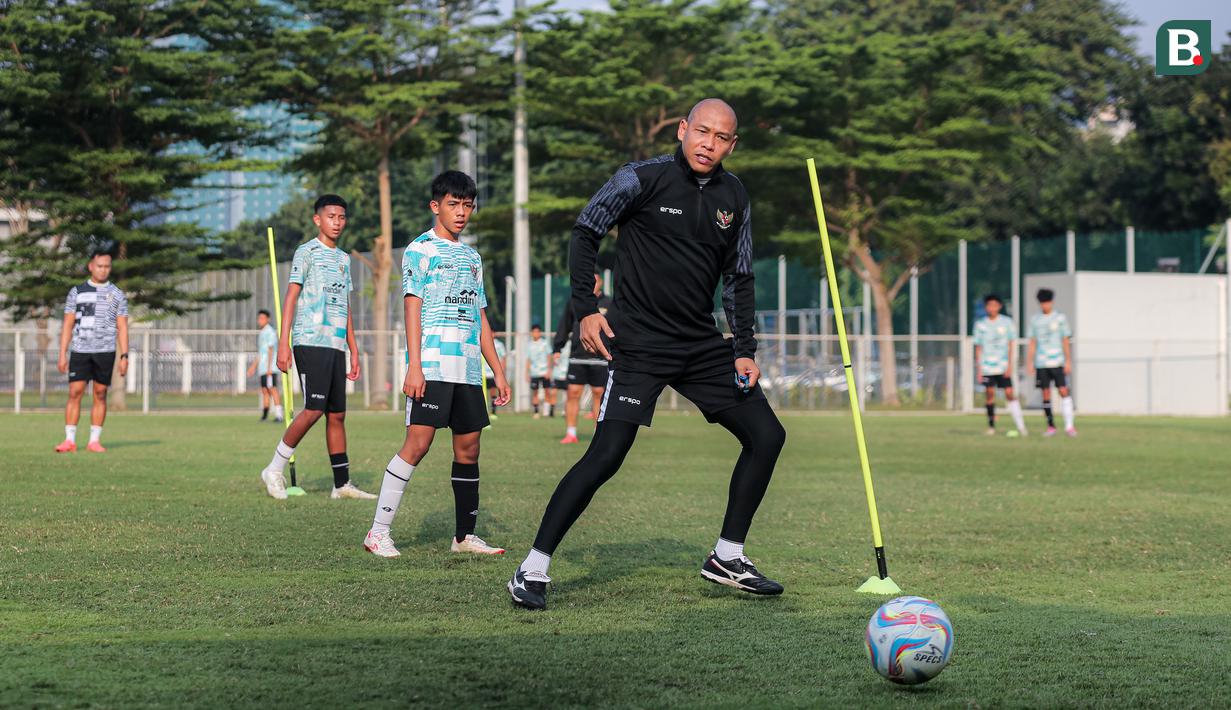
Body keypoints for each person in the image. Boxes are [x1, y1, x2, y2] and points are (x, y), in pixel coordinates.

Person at [507, 98, 787, 611]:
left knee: (767, 435)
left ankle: (727, 555)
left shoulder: (735, 195)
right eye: (701, 131)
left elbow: (739, 276)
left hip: (702, 345)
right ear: (683, 130)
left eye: (721, 137)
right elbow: (586, 230)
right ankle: (534, 566)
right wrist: (586, 309)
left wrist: (744, 349)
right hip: (638, 344)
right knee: (608, 455)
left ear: (732, 144)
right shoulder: (641, 178)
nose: (709, 143)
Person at [363, 171, 511, 559]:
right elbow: (412, 307)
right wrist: (414, 366)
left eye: (467, 206)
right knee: (418, 444)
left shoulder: (473, 256)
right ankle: (378, 532)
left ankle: (464, 537)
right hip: (431, 366)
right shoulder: (419, 250)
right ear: (436, 206)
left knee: (469, 448)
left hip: (468, 371)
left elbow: (480, 318)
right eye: (453, 205)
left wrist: (498, 368)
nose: (461, 213)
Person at [258, 194, 375, 500]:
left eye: (342, 217)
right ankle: (273, 469)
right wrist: (283, 342)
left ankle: (342, 484)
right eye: (331, 216)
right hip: (310, 341)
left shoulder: (344, 260)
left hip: (336, 345)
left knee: (337, 414)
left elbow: (345, 305)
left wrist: (353, 348)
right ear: (318, 219)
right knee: (314, 408)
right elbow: (290, 297)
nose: (337, 222)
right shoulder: (306, 252)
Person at [55, 251, 129, 453]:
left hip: (105, 351)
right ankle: (69, 440)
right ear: (91, 266)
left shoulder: (117, 294)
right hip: (80, 350)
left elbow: (122, 327)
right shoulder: (76, 292)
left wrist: (124, 356)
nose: (103, 270)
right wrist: (62, 353)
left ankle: (94, 440)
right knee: (75, 392)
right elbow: (68, 324)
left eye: (107, 266)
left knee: (100, 393)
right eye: (100, 266)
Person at [551, 274, 612, 443]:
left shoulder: (609, 303)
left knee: (599, 394)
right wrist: (558, 347)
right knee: (573, 393)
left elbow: (617, 328)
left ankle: (597, 434)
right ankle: (571, 433)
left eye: (595, 281)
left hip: (600, 358)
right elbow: (565, 324)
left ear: (600, 283)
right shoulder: (576, 301)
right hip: (578, 357)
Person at [974, 294, 1027, 437]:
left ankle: (1021, 426)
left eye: (995, 305)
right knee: (989, 394)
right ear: (986, 307)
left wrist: (1010, 365)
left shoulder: (1007, 323)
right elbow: (978, 347)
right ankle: (991, 426)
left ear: (999, 306)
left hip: (1003, 366)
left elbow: (1011, 345)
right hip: (987, 367)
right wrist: (979, 368)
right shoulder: (981, 325)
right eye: (989, 305)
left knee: (1009, 393)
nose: (992, 308)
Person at [1026, 288, 1076, 437]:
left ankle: (1069, 426)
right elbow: (1033, 342)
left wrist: (1068, 361)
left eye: (1047, 302)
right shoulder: (1035, 320)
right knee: (1045, 394)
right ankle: (1051, 426)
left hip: (1058, 361)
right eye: (1042, 303)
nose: (1045, 305)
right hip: (1042, 363)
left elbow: (1065, 340)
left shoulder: (1060, 318)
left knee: (1063, 391)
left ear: (1052, 302)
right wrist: (1030, 362)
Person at [247, 309, 284, 422]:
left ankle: (279, 415)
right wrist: (253, 366)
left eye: (262, 318)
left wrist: (269, 368)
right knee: (264, 390)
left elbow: (271, 350)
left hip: (270, 368)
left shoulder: (270, 332)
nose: (260, 320)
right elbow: (261, 352)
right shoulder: (262, 333)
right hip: (263, 368)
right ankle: (265, 415)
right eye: (259, 318)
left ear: (268, 319)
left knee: (272, 389)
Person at [527, 323, 552, 418]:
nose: (535, 333)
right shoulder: (529, 345)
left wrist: (549, 370)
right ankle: (536, 412)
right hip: (534, 372)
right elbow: (528, 360)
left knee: (547, 391)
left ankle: (546, 411)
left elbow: (549, 357)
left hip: (544, 372)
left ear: (540, 333)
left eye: (537, 332)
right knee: (535, 392)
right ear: (531, 333)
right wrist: (527, 372)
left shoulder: (544, 343)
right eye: (534, 332)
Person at [548, 341, 570, 417]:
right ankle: (551, 411)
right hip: (556, 374)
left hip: (567, 374)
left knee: (568, 394)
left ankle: (565, 411)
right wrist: (550, 370)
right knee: (553, 392)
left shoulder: (571, 344)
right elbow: (552, 358)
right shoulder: (557, 344)